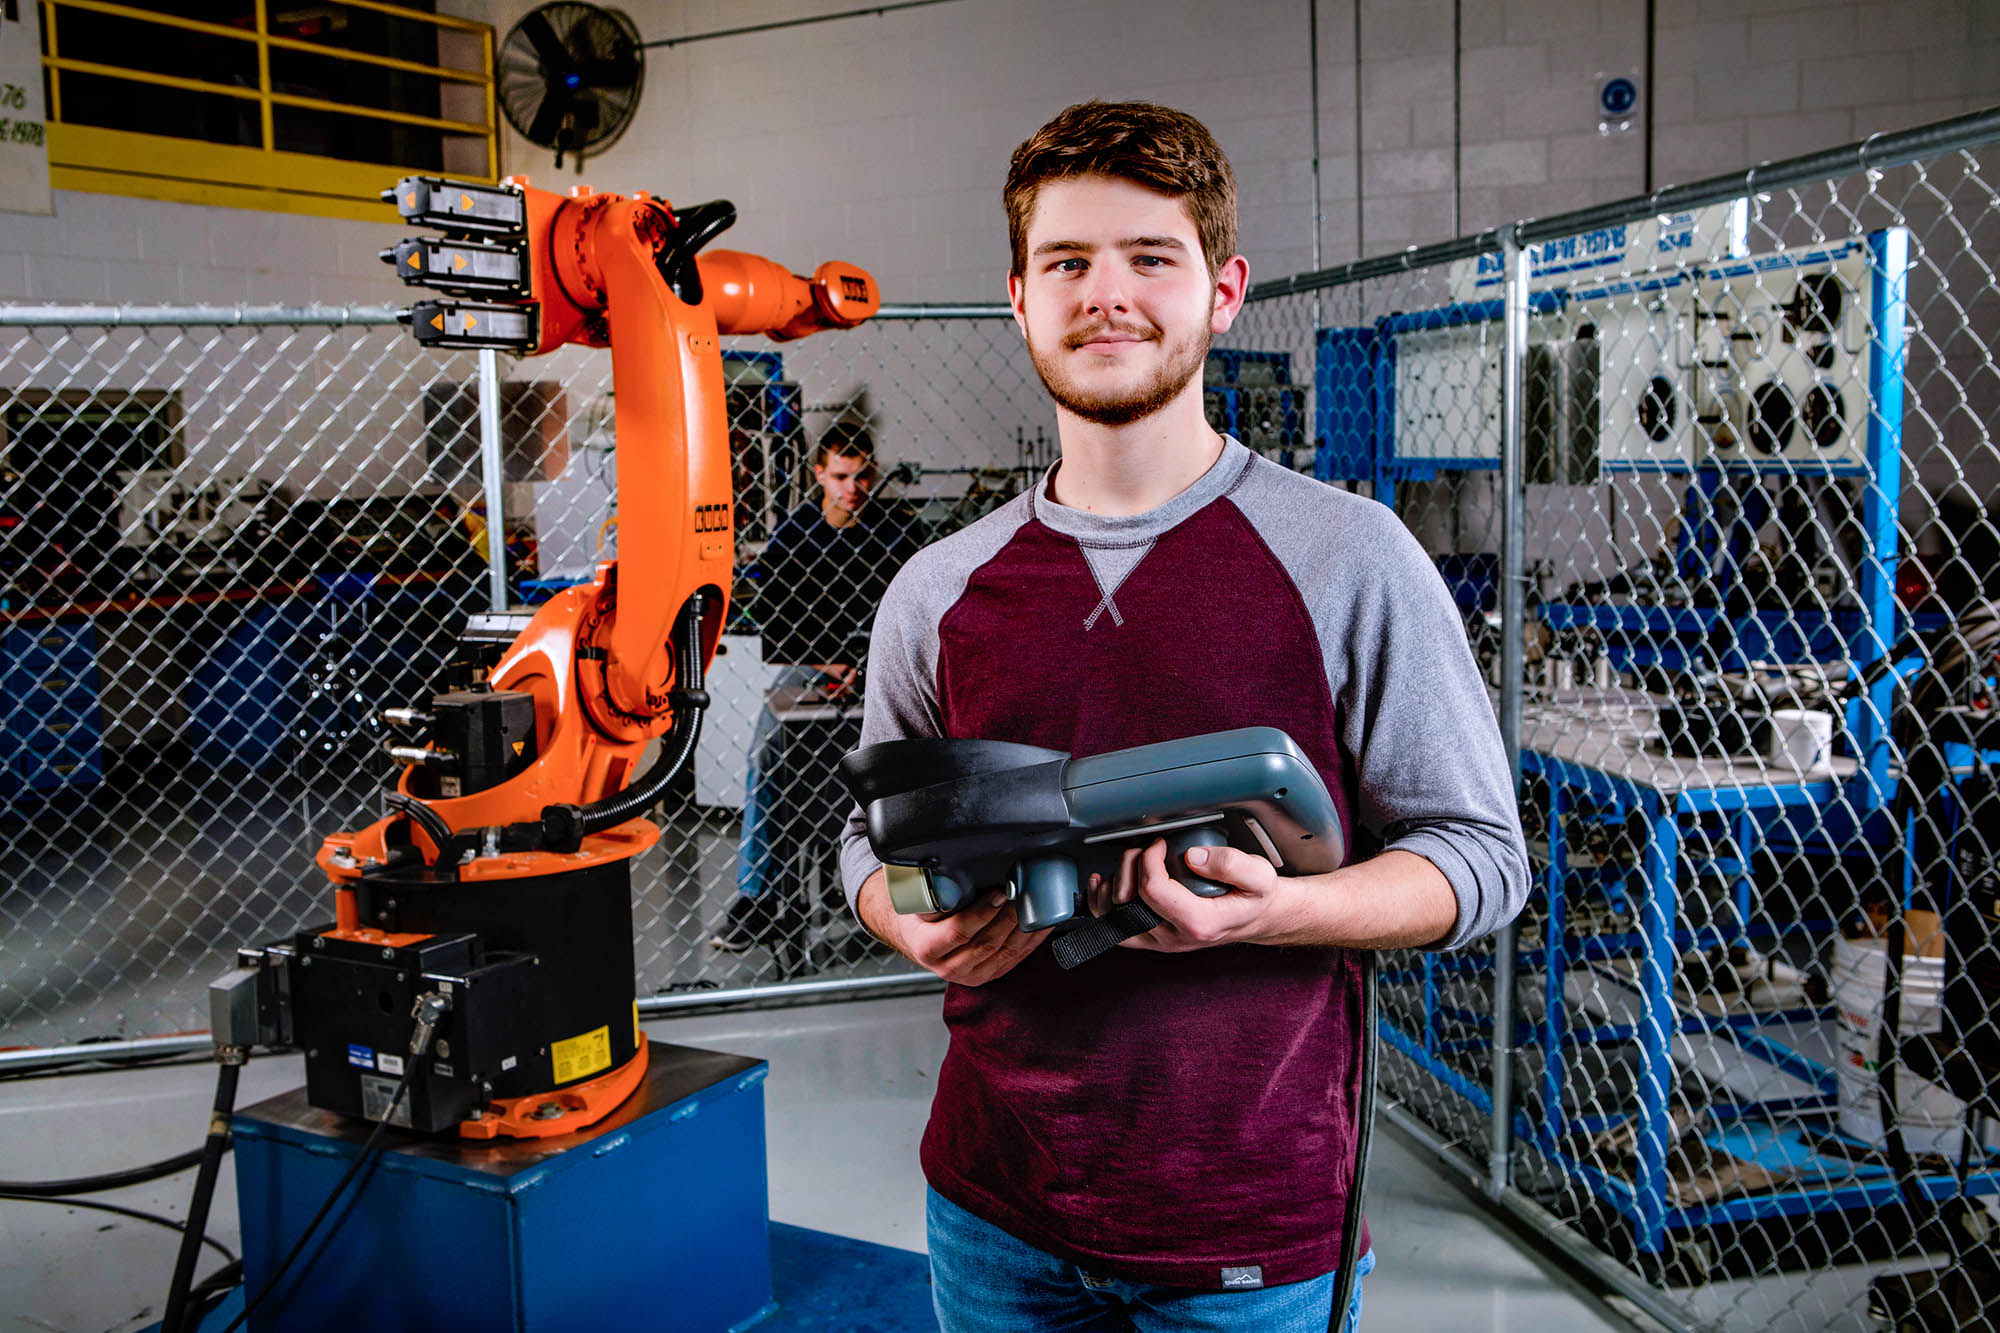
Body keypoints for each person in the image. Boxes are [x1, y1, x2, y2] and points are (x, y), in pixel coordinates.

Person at [838, 101, 1528, 1332]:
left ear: (1222, 293)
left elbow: (1477, 859)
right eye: (1067, 262)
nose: (1106, 294)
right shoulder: (935, 590)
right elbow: (869, 843)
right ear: (1018, 296)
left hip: (1252, 1229)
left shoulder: (1347, 557)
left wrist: (1289, 912)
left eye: (1149, 257)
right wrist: (907, 920)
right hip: (992, 1206)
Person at [713, 426, 920, 957]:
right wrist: (827, 661)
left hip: (880, 671)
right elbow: (775, 623)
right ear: (819, 476)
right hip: (809, 667)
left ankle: (913, 885)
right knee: (767, 756)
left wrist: (871, 665)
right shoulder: (794, 536)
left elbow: (914, 616)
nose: (854, 487)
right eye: (841, 476)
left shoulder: (895, 533)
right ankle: (756, 898)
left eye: (863, 475)